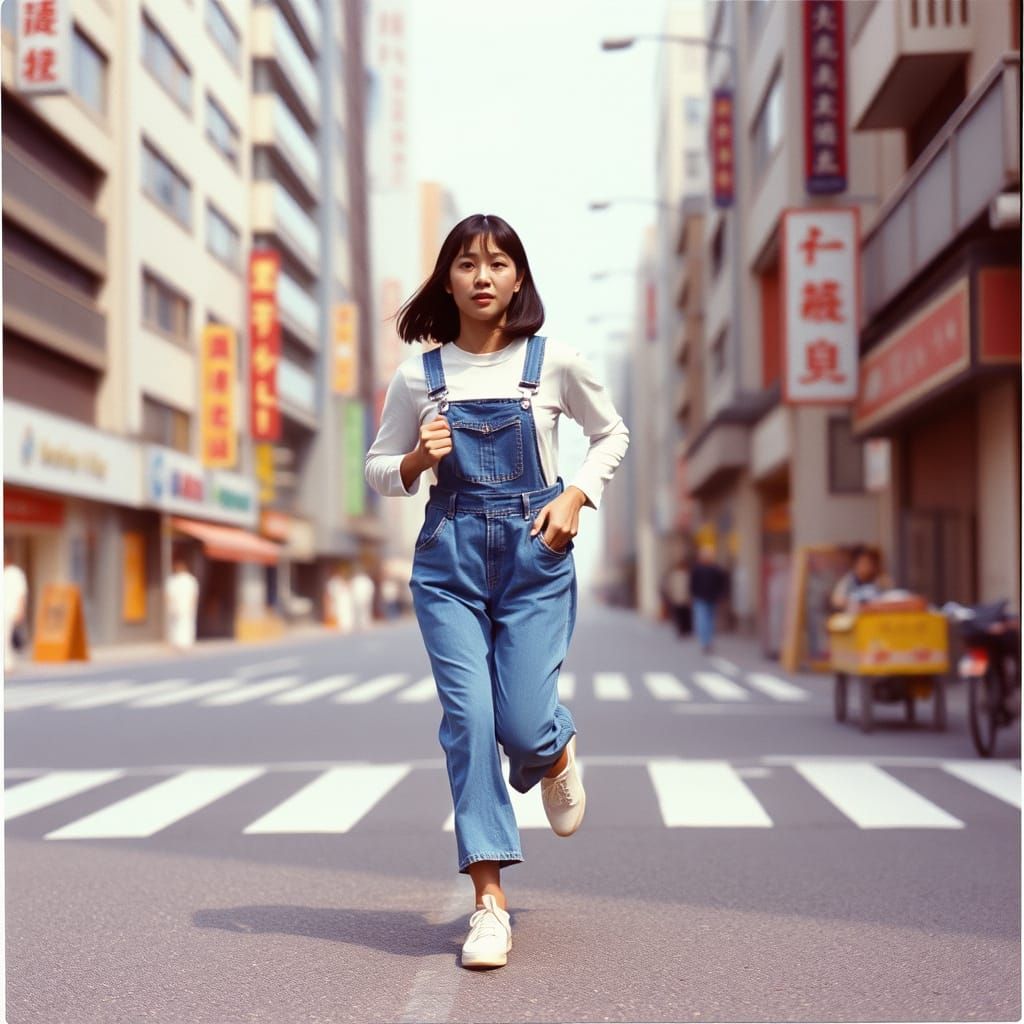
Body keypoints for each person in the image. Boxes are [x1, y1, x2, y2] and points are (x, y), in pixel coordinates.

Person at [365, 213, 630, 969]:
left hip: (533, 552)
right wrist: (417, 456)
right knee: (469, 720)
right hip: (447, 559)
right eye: (468, 263)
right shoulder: (420, 375)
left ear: (519, 277)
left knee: (519, 721)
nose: (483, 276)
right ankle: (489, 903)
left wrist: (576, 496)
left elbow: (613, 434)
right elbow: (379, 470)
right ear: (446, 278)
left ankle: (552, 747)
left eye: (499, 262)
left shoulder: (556, 362)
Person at [690, 545, 728, 654]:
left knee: (706, 621)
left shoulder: (713, 569)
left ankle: (706, 641)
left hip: (707, 598)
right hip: (705, 598)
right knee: (706, 620)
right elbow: (692, 584)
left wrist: (720, 595)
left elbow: (721, 584)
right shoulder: (711, 569)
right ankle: (706, 641)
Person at [830, 545, 887, 613]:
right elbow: (836, 601)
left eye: (869, 563)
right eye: (862, 563)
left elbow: (890, 598)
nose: (866, 567)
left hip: (876, 617)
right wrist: (854, 603)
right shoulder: (848, 580)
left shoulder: (880, 580)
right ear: (855, 564)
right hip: (854, 618)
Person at [164, 557, 199, 651]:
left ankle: (181, 643)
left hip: (180, 606)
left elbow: (168, 595)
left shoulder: (179, 580)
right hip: (181, 606)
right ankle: (181, 643)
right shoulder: (186, 580)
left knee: (182, 625)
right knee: (182, 625)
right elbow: (169, 594)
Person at [4, 545, 29, 673]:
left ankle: (8, 665)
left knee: (5, 638)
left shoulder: (15, 573)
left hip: (10, 610)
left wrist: (21, 610)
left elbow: (21, 593)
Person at [661, 558, 691, 637]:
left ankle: (682, 630)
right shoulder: (685, 575)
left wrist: (670, 594)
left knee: (680, 615)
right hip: (682, 598)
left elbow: (670, 586)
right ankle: (682, 630)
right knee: (683, 614)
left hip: (678, 598)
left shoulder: (677, 575)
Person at [326, 565, 354, 633]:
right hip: (338, 600)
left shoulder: (340, 581)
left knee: (344, 612)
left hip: (343, 600)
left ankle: (346, 625)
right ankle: (342, 625)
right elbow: (332, 592)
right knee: (339, 612)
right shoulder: (333, 582)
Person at [349, 565, 376, 632]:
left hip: (360, 598)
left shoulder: (363, 580)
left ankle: (363, 624)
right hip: (360, 598)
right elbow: (371, 589)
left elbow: (370, 589)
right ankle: (361, 624)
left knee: (362, 612)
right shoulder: (360, 580)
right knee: (361, 612)